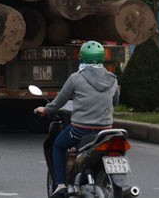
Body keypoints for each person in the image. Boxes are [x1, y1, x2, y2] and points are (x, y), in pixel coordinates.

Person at [34, 41, 119, 198]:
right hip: (106, 131)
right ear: (102, 59)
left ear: (82, 59)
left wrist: (45, 110)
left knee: (58, 146)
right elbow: (115, 102)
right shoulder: (112, 79)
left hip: (81, 130)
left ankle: (60, 184)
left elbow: (59, 102)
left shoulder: (75, 78)